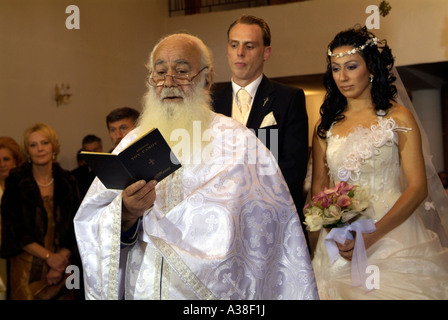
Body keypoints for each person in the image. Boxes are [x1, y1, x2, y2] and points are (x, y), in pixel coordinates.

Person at [74, 33, 318, 300]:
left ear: (207, 78)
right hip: (142, 286)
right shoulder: (133, 141)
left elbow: (268, 228)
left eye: (181, 71)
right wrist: (126, 212)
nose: (168, 82)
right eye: (160, 72)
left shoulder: (240, 143)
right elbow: (91, 219)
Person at [310, 26, 448, 299]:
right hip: (342, 241)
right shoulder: (325, 127)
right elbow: (319, 189)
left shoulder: (399, 118)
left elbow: (418, 187)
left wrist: (371, 236)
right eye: (336, 69)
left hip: (393, 233)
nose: (342, 77)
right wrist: (335, 229)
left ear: (371, 68)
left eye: (351, 66)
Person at [211, 15, 310, 243]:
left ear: (266, 52)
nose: (240, 53)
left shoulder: (289, 98)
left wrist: (251, 204)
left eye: (249, 46)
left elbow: (293, 168)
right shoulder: (209, 103)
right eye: (234, 45)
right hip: (220, 225)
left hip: (272, 223)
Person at [0, 123, 81, 300]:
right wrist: (48, 257)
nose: (40, 149)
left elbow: (78, 225)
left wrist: (59, 261)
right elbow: (14, 229)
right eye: (33, 145)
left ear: (53, 146)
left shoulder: (68, 180)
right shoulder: (16, 181)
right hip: (26, 266)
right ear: (27, 151)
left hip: (64, 264)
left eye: (44, 143)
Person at [0, 136, 24, 300]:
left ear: (16, 161)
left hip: (22, 251)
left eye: (6, 159)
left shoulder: (25, 187)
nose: (2, 164)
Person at [71, 134, 103, 199]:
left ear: (101, 149)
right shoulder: (76, 175)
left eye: (95, 150)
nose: (92, 154)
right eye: (89, 151)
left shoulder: (110, 170)